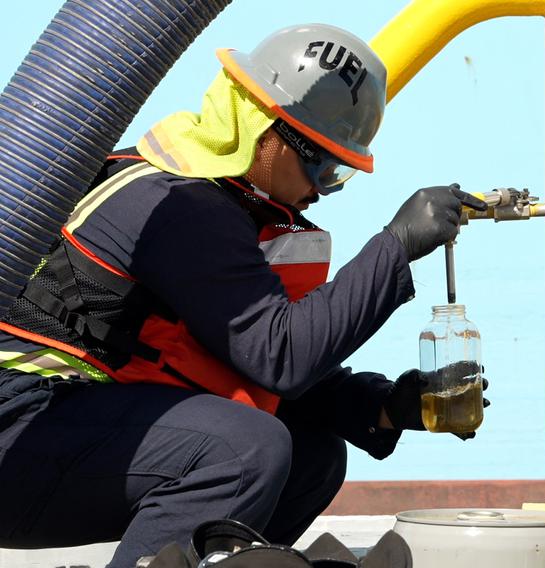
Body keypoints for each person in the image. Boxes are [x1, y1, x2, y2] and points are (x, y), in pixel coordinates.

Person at [0, 23, 487, 568]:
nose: (318, 192)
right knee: (243, 447)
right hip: (19, 426)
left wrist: (386, 406)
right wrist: (394, 247)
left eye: (337, 176)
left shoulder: (211, 201)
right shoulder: (176, 204)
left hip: (58, 428)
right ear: (264, 128)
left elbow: (251, 352)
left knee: (311, 453)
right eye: (321, 166)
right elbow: (281, 356)